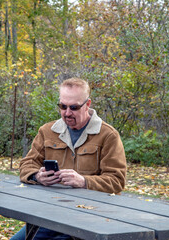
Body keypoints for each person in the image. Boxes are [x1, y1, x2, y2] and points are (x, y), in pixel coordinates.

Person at [11, 78, 127, 240]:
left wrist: (84, 181)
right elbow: (27, 164)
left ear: (87, 104)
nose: (67, 112)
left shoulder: (108, 135)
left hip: (92, 218)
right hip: (51, 213)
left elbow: (117, 180)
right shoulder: (47, 131)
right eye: (62, 106)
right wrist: (37, 176)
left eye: (74, 107)